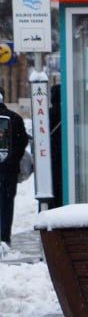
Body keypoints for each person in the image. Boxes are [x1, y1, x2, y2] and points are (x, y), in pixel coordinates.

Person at [0, 90, 30, 253]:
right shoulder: (15, 118)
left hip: (8, 168)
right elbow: (22, 141)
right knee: (6, 203)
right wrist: (12, 160)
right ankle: (4, 237)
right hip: (9, 171)